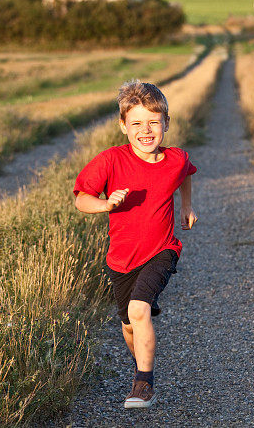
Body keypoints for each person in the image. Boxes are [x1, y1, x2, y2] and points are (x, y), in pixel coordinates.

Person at [73, 79, 197, 409]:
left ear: (166, 124)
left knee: (139, 310)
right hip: (121, 260)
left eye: (154, 122)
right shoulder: (111, 161)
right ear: (123, 125)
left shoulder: (176, 159)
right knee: (129, 326)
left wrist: (186, 206)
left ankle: (143, 385)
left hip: (162, 250)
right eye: (137, 123)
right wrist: (105, 204)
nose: (146, 130)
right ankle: (141, 364)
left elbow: (185, 173)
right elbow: (82, 198)